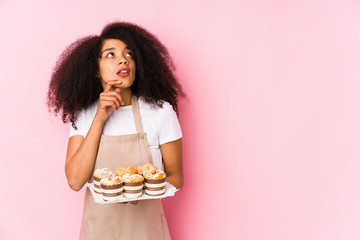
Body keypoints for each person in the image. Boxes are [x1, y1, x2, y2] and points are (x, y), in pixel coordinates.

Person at [47, 21, 185, 240]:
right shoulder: (84, 114)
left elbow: (176, 177)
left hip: (146, 231)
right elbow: (74, 180)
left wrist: (142, 191)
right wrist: (99, 118)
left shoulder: (160, 111)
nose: (124, 59)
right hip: (99, 232)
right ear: (94, 69)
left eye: (129, 54)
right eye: (111, 55)